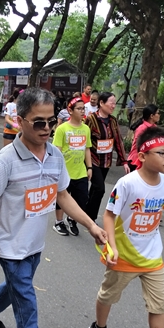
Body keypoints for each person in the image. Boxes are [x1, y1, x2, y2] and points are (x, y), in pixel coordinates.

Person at [0, 88, 108, 328]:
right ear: (21, 121)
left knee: (15, 290)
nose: (47, 129)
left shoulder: (55, 156)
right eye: (39, 123)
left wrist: (91, 225)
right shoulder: (5, 161)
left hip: (35, 245)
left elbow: (62, 196)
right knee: (27, 310)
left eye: (51, 121)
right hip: (10, 248)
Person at [87, 126, 164, 328]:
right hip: (124, 255)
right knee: (109, 295)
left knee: (160, 302)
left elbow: (158, 213)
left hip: (152, 256)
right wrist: (112, 246)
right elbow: (109, 214)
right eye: (161, 153)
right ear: (142, 156)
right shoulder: (127, 183)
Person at [84, 91, 130, 222]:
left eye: (115, 103)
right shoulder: (91, 119)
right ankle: (90, 217)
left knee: (95, 188)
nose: (113, 106)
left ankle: (86, 212)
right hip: (93, 159)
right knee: (99, 188)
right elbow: (84, 139)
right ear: (101, 103)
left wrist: (124, 161)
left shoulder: (113, 121)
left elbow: (118, 141)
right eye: (111, 103)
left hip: (106, 161)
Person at [52, 96, 92, 236]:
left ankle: (72, 218)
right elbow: (57, 150)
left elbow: (87, 149)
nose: (82, 111)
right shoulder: (62, 129)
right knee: (62, 198)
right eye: (79, 108)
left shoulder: (86, 129)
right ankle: (58, 222)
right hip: (64, 171)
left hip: (80, 171)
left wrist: (90, 167)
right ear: (70, 111)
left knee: (82, 199)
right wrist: (56, 170)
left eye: (83, 108)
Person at [127, 104, 161, 171]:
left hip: (146, 160)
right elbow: (138, 145)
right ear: (151, 116)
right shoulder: (142, 128)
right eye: (158, 113)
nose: (159, 115)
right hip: (136, 160)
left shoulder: (154, 127)